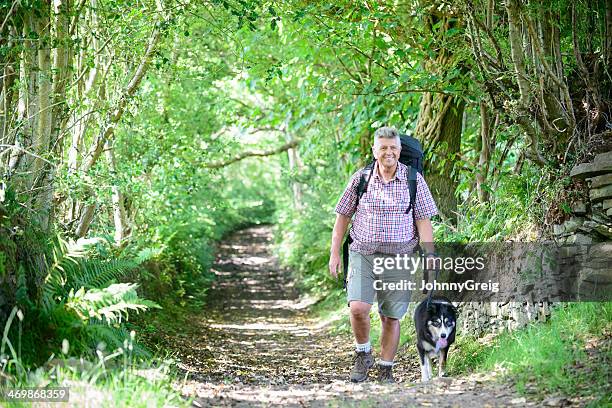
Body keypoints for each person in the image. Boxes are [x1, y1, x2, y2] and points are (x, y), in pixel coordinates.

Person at [329, 126, 439, 383]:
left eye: (393, 148)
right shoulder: (361, 179)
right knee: (358, 308)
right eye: (383, 148)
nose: (388, 152)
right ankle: (363, 353)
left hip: (399, 257)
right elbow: (342, 216)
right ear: (374, 150)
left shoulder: (414, 180)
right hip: (362, 253)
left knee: (391, 315)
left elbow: (423, 220)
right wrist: (335, 253)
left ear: (399, 151)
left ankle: (385, 368)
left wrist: (430, 254)